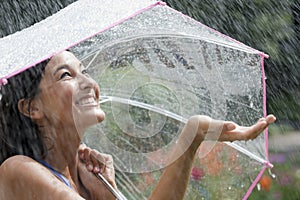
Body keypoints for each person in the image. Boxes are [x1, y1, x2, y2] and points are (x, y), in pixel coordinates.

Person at [0, 50, 276, 200]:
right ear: (31, 107)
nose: (89, 84)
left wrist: (194, 133)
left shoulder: (86, 182)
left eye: (84, 72)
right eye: (66, 75)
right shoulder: (18, 171)